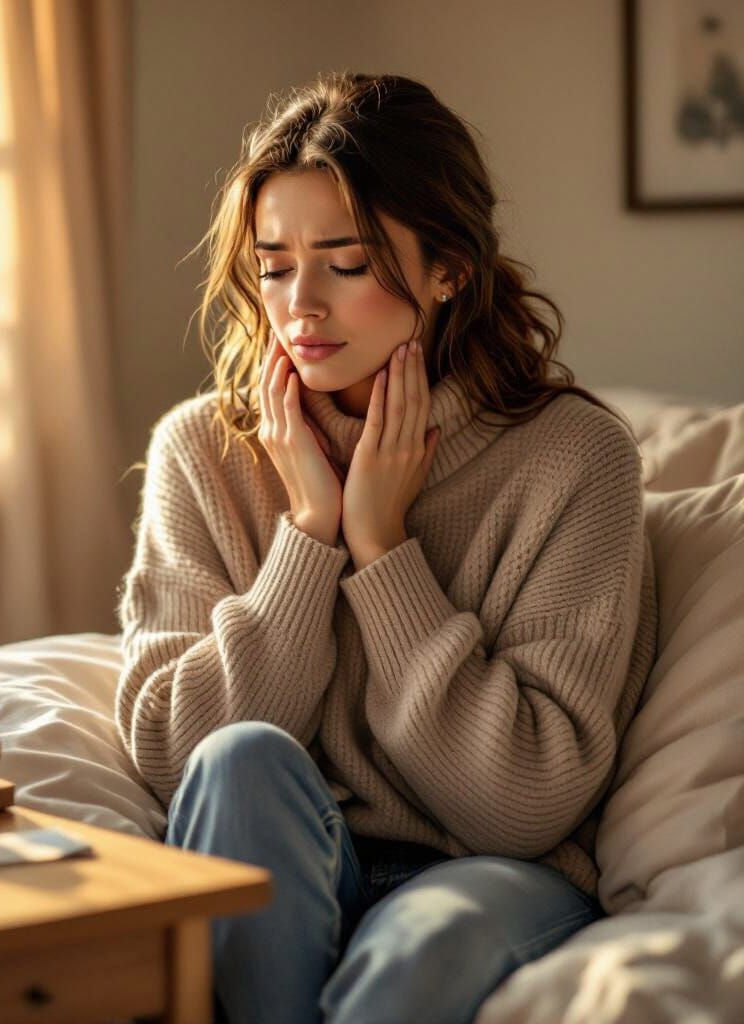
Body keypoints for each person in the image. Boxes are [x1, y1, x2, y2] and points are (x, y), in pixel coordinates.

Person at [115, 71, 658, 1024]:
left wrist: (382, 544)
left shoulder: (576, 458)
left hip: (490, 873)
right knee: (241, 759)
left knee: (426, 945)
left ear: (448, 267)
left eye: (347, 262)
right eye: (276, 265)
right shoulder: (202, 448)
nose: (300, 306)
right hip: (294, 847)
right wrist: (308, 535)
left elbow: (524, 806)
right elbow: (176, 757)